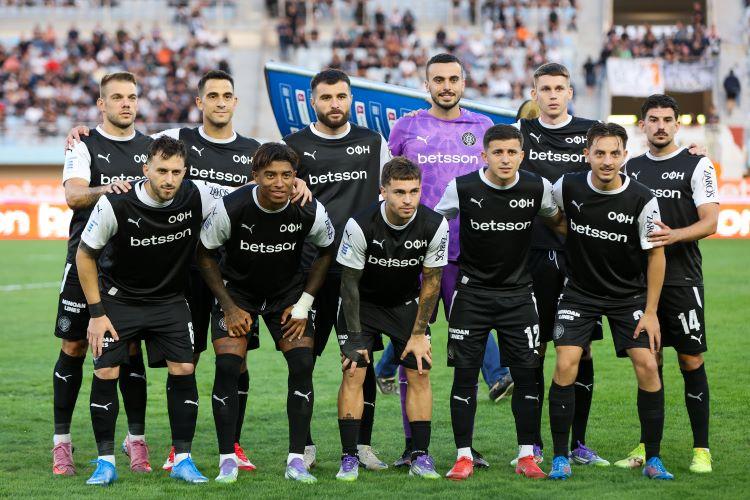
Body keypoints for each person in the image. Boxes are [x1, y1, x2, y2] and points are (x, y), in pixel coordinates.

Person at [67, 69, 312, 472]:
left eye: (227, 95)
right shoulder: (178, 139)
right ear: (200, 102)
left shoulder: (253, 150)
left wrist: (297, 183)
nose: (220, 102)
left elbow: (276, 176)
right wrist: (85, 132)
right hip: (185, 270)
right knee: (186, 360)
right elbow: (132, 141)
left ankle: (233, 445)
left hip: (231, 269)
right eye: (212, 95)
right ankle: (175, 449)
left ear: (235, 102)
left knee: (236, 359)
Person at [77, 136, 231, 485]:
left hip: (169, 301)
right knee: (106, 372)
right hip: (119, 301)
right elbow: (85, 255)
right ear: (145, 169)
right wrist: (97, 314)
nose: (169, 179)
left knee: (184, 368)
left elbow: (247, 192)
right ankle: (105, 463)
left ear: (185, 172)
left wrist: (295, 184)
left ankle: (183, 460)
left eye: (176, 172)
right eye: (162, 171)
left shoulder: (198, 193)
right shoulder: (116, 203)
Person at [387, 52, 509, 468]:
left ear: (463, 83)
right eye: (438, 79)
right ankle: (413, 446)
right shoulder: (406, 128)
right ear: (427, 85)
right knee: (412, 355)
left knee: (467, 354)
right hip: (411, 259)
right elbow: (387, 185)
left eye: (453, 79)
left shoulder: (482, 127)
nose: (446, 86)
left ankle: (465, 447)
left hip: (465, 258)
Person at [197, 142, 335, 484]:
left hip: (286, 295)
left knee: (302, 365)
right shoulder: (231, 207)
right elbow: (204, 254)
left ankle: (296, 460)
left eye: (286, 175)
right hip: (237, 294)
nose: (279, 182)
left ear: (295, 176)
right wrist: (229, 307)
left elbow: (326, 251)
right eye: (270, 175)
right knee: (228, 366)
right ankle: (227, 459)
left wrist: (303, 304)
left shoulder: (309, 209)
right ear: (255, 176)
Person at [435, 125, 565, 480]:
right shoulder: (462, 187)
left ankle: (526, 455)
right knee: (464, 377)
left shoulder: (537, 187)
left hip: (519, 296)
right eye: (497, 152)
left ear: (522, 155)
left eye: (511, 152)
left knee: (526, 377)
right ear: (484, 156)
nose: (505, 159)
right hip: (471, 295)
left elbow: (558, 221)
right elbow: (432, 223)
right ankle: (463, 456)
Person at [546, 122, 673, 481]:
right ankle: (560, 456)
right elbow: (552, 215)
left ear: (624, 156)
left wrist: (651, 312)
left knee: (648, 365)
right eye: (599, 153)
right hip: (579, 293)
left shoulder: (642, 198)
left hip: (627, 296)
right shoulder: (567, 185)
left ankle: (653, 458)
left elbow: (656, 255)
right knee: (566, 362)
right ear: (586, 154)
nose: (606, 160)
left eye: (614, 153)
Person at [283, 68, 390, 470]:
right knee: (303, 362)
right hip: (308, 272)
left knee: (360, 361)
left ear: (351, 99)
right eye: (326, 97)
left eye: (341, 96)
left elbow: (388, 195)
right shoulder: (292, 146)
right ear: (313, 101)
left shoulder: (373, 142)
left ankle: (362, 445)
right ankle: (304, 446)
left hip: (359, 274)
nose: (334, 104)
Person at [53, 71, 153, 476]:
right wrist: (108, 189)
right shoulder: (84, 144)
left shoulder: (151, 147)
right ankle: (62, 444)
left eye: (132, 97)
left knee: (130, 351)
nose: (126, 103)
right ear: (101, 104)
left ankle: (136, 440)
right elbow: (73, 194)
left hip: (131, 267)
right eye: (117, 97)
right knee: (74, 346)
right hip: (86, 262)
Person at [617, 94, 719, 473]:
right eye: (653, 119)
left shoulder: (697, 163)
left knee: (690, 359)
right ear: (642, 125)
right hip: (639, 284)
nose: (660, 126)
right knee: (649, 362)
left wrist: (673, 235)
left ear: (677, 124)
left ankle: (701, 449)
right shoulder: (630, 167)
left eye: (667, 120)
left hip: (682, 279)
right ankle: (647, 446)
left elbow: (710, 222)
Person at [513, 62, 606, 466]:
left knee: (581, 350)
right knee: (532, 349)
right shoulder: (519, 132)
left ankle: (578, 443)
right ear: (534, 94)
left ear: (570, 93)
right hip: (530, 254)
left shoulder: (591, 132)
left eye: (559, 88)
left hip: (578, 256)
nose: (552, 95)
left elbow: (619, 169)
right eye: (545, 89)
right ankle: (531, 444)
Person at [335, 157, 448, 481]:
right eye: (399, 192)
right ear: (383, 191)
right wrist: (354, 337)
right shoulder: (360, 224)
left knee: (420, 371)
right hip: (362, 305)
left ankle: (421, 456)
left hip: (404, 306)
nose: (408, 200)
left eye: (414, 191)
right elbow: (349, 284)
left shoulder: (434, 224)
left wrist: (419, 334)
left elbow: (432, 282)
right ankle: (349, 457)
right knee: (354, 371)